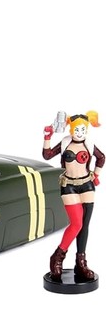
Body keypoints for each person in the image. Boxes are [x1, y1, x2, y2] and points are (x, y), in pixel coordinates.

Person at [42, 111, 105, 281]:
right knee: (76, 224)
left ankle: (81, 263)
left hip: (87, 185)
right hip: (68, 185)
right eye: (77, 129)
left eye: (83, 130)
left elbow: (101, 158)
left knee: (85, 225)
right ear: (71, 129)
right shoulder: (65, 143)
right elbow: (47, 155)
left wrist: (96, 175)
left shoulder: (89, 144)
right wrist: (47, 136)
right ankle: (58, 256)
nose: (80, 133)